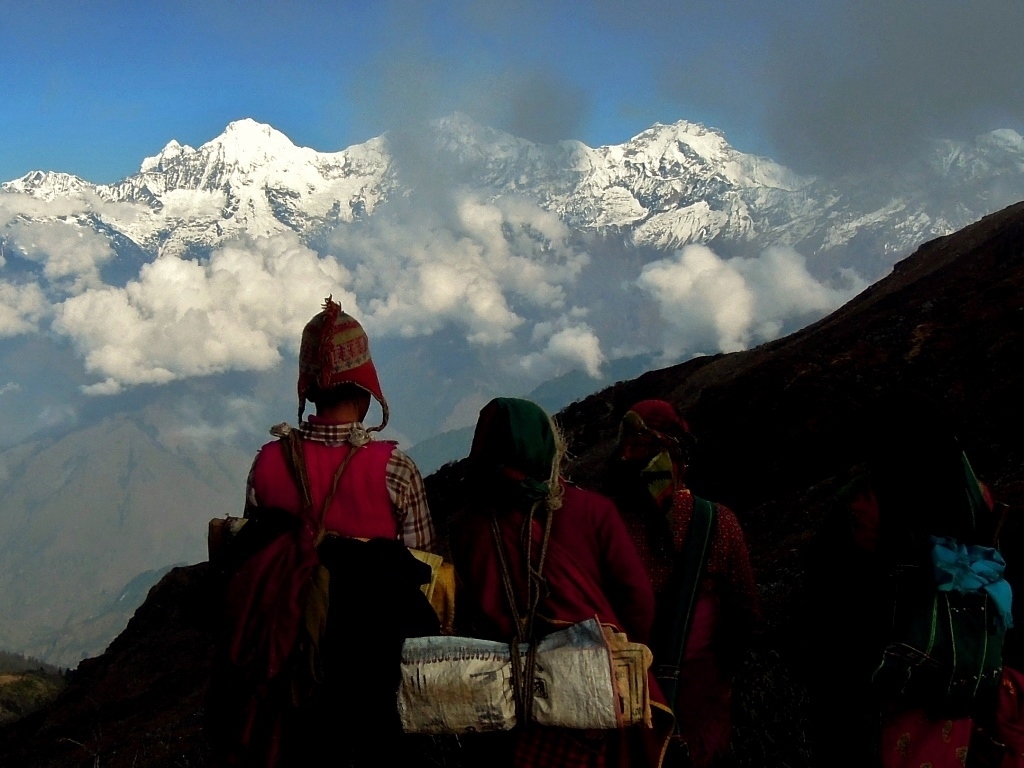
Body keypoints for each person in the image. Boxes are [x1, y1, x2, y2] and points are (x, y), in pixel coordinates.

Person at [206, 297, 439, 767]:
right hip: (369, 678)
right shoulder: (396, 470)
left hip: (282, 675)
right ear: (367, 388)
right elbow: (425, 573)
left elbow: (253, 564)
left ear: (307, 388)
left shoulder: (267, 464)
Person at [451, 397, 671, 768]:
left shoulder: (469, 529)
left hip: (514, 701)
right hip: (600, 695)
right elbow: (638, 601)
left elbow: (473, 617)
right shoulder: (593, 511)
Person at [805, 392, 1016, 768]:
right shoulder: (975, 497)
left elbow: (827, 602)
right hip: (961, 686)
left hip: (885, 692)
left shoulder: (867, 505)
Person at [608, 399, 757, 768]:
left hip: (625, 698)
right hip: (699, 702)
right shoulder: (717, 522)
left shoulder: (606, 524)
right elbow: (745, 615)